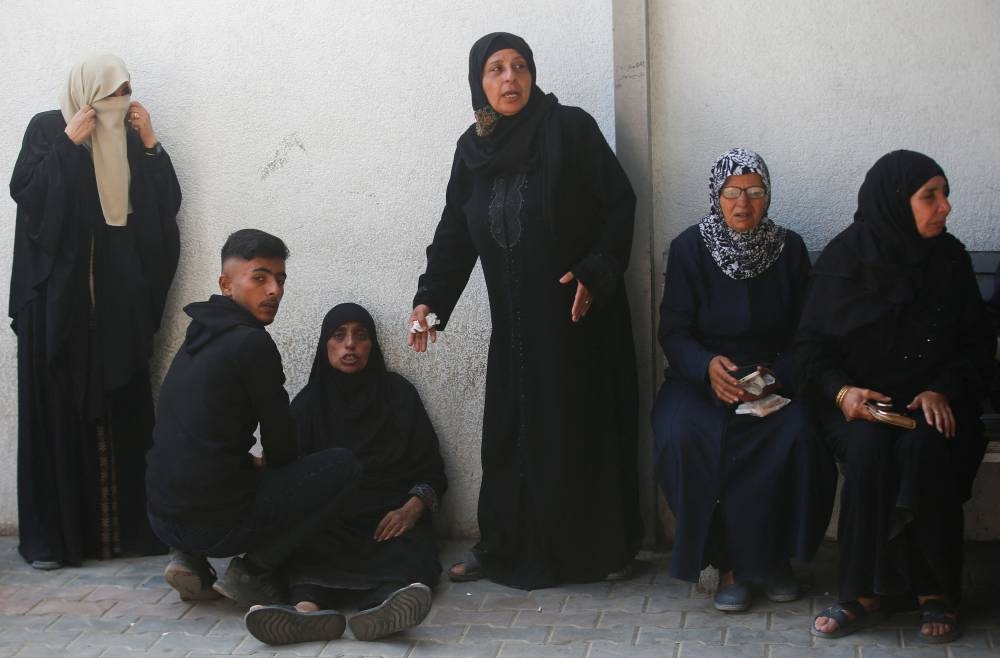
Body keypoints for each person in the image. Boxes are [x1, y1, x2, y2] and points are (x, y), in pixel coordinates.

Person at [406, 32, 642, 590]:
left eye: (518, 67)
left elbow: (619, 204)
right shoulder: (473, 149)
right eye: (495, 70)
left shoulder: (570, 130)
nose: (509, 79)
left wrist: (595, 270)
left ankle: (589, 551)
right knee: (510, 436)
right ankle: (505, 547)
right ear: (478, 83)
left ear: (533, 74)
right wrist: (430, 300)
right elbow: (456, 233)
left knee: (573, 433)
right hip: (513, 325)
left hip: (577, 322)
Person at [796, 151, 995, 643]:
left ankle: (937, 592)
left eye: (945, 193)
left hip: (935, 403)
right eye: (930, 196)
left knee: (926, 445)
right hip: (860, 404)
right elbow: (805, 353)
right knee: (867, 450)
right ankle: (864, 592)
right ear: (894, 202)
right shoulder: (846, 260)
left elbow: (977, 345)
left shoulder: (949, 260)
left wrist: (942, 388)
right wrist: (842, 393)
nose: (944, 207)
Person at [8, 53, 181, 569]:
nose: (119, 104)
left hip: (112, 314)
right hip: (58, 314)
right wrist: (68, 144)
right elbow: (29, 197)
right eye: (111, 93)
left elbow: (161, 210)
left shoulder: (128, 140)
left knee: (122, 412)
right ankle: (58, 542)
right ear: (86, 95)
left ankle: (128, 533)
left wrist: (150, 144)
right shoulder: (48, 128)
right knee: (59, 418)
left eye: (126, 92)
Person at [651, 148, 835, 612]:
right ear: (717, 195)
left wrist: (777, 376)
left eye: (754, 192)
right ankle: (727, 562)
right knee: (682, 435)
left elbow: (807, 334)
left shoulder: (788, 249)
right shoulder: (690, 248)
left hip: (771, 382)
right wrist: (707, 366)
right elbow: (673, 331)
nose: (743, 204)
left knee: (796, 434)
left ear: (767, 197)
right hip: (700, 379)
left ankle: (771, 560)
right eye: (733, 192)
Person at [145, 229, 361, 607]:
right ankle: (253, 572)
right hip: (214, 524)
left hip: (160, 515)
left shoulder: (200, 332)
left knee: (217, 473)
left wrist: (247, 465)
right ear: (226, 284)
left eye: (280, 279)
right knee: (344, 467)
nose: (274, 290)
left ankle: (188, 560)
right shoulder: (252, 343)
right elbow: (281, 443)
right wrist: (277, 474)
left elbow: (192, 434)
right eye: (260, 278)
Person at [245, 303, 446, 645]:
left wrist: (412, 509)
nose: (350, 345)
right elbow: (286, 472)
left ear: (373, 346)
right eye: (339, 336)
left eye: (361, 336)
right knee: (304, 547)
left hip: (387, 518)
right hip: (330, 520)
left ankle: (382, 610)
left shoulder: (398, 396)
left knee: (409, 550)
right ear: (326, 346)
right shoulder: (308, 405)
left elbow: (432, 467)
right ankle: (305, 613)